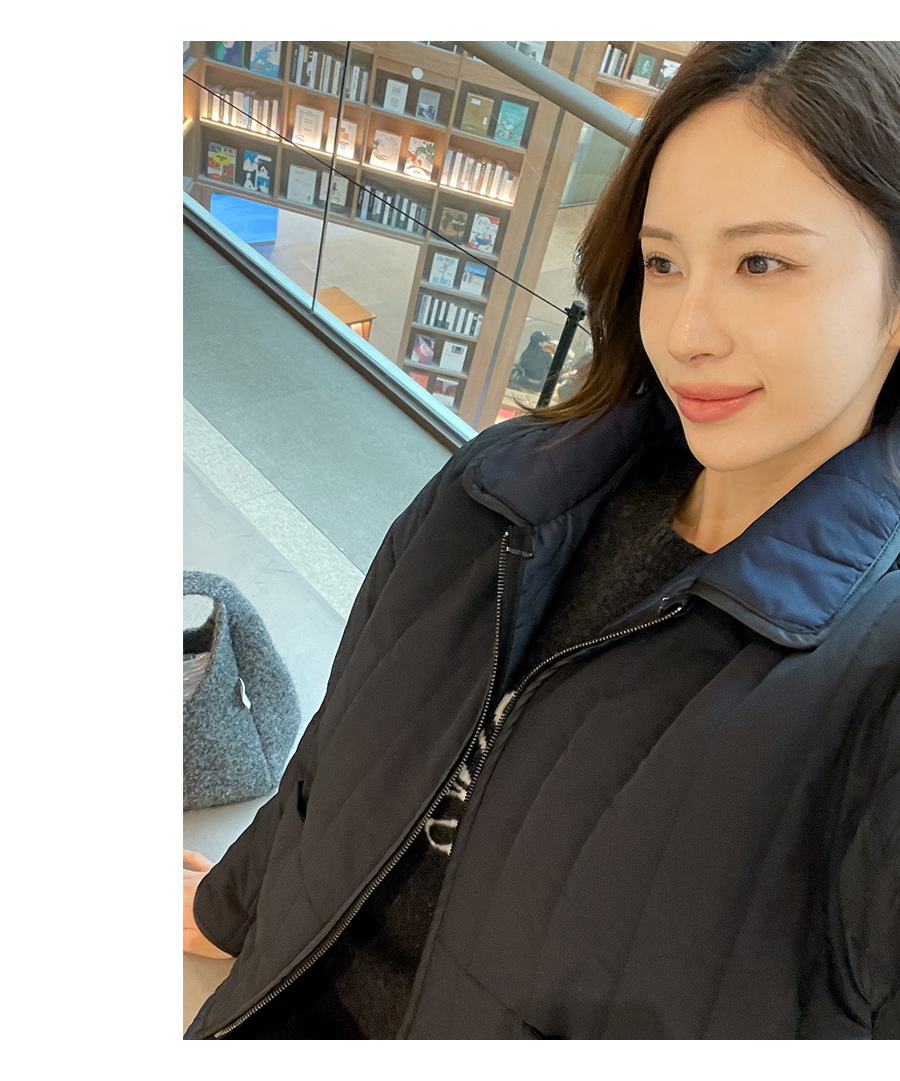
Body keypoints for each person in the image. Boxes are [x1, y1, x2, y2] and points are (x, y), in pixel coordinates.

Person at [184, 41, 900, 1039]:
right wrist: (230, 904)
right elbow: (340, 753)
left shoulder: (871, 684)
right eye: (664, 262)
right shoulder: (500, 489)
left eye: (761, 262)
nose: (686, 330)